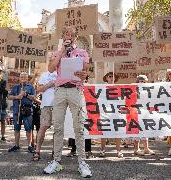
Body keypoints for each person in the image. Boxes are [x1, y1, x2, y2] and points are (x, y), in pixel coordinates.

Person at [43, 26, 92, 178]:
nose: (68, 36)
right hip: (60, 91)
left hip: (75, 90)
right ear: (63, 36)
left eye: (71, 34)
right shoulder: (57, 53)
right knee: (58, 127)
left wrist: (83, 74)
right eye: (66, 34)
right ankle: (56, 161)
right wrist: (63, 52)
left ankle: (82, 162)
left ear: (75, 37)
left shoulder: (82, 53)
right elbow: (51, 69)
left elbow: (86, 73)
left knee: (79, 127)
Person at [8, 72, 37, 153]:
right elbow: (9, 96)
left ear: (27, 78)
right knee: (16, 129)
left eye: (25, 77)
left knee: (28, 129)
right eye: (21, 77)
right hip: (17, 110)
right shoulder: (15, 87)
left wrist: (26, 95)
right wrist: (17, 97)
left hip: (27, 110)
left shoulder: (30, 87)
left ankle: (29, 146)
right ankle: (16, 145)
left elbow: (34, 98)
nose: (23, 78)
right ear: (19, 78)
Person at [32, 70, 57, 161]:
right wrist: (50, 84)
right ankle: (37, 150)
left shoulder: (62, 73)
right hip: (46, 104)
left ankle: (55, 152)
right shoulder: (44, 74)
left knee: (58, 129)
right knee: (43, 127)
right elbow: (38, 89)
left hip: (60, 105)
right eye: (50, 59)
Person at [99, 72, 124, 158]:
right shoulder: (102, 88)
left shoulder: (119, 88)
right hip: (105, 112)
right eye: (109, 76)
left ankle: (118, 151)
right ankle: (102, 150)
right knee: (104, 131)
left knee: (118, 131)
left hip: (116, 112)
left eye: (113, 76)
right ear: (106, 78)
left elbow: (122, 99)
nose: (111, 78)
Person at [133, 75, 155, 156]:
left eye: (144, 81)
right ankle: (136, 149)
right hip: (136, 113)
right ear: (138, 81)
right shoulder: (134, 90)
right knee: (137, 131)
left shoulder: (148, 90)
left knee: (145, 130)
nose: (143, 82)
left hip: (145, 113)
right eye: (141, 81)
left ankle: (146, 148)